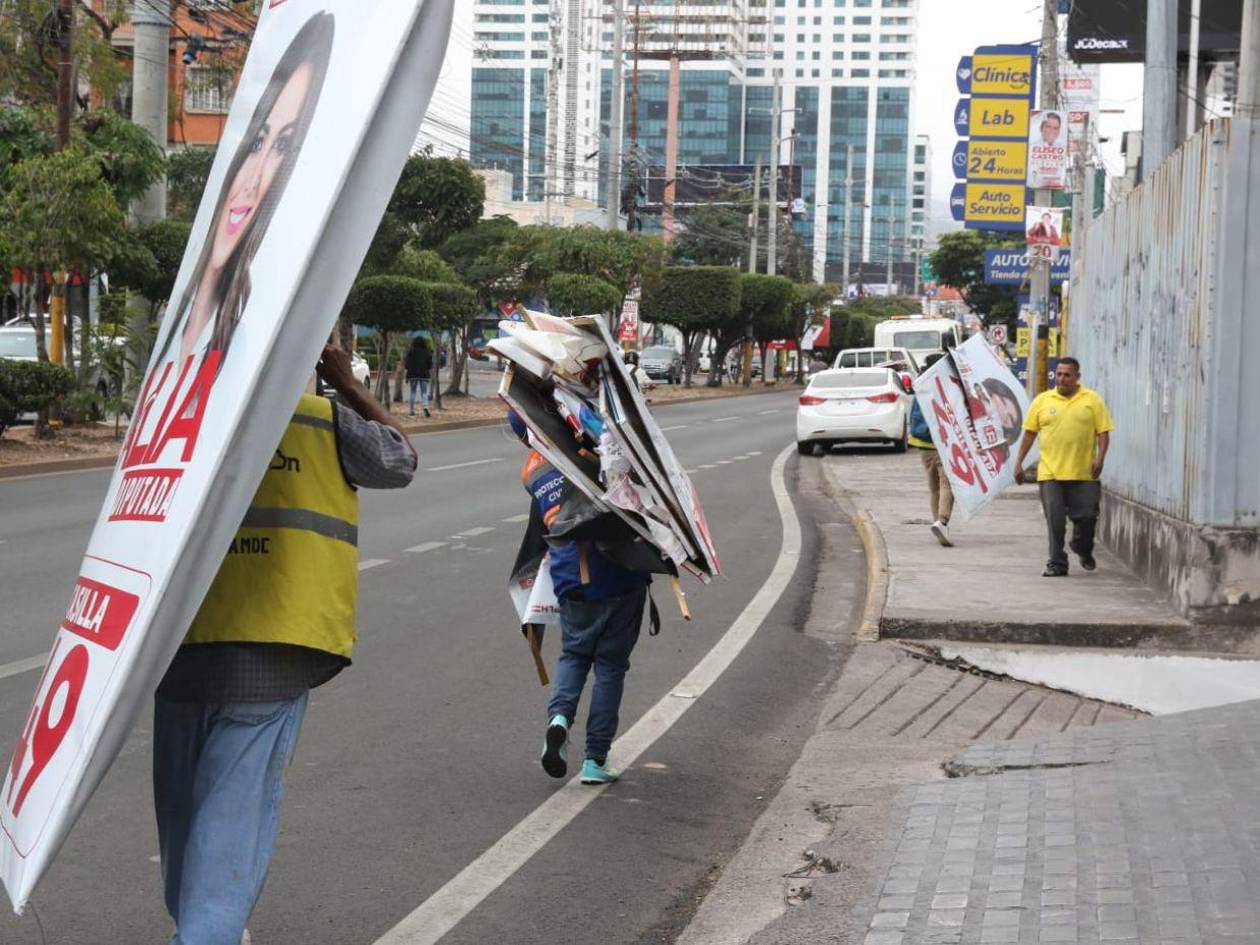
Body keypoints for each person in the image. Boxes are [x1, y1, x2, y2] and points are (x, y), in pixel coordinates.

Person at [152, 344, 416, 945]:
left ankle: (201, 927)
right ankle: (207, 933)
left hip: (179, 645)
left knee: (181, 810)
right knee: (234, 812)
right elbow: (400, 460)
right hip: (275, 646)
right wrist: (348, 384)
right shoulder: (321, 419)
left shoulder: (174, 416)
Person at [155, 13, 336, 365]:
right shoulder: (171, 346)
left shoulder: (246, 352)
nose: (252, 182)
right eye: (257, 143)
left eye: (282, 147)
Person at [508, 411, 650, 785]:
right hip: (620, 574)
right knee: (611, 667)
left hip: (570, 577)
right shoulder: (599, 448)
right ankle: (595, 759)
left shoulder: (535, 472)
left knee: (573, 655)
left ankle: (558, 720)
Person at [1013, 356, 1113, 577]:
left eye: (1067, 375)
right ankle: (1057, 562)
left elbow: (1103, 432)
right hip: (1051, 474)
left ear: (1077, 377)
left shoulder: (1092, 400)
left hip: (1084, 474)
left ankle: (1082, 548)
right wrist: (1018, 463)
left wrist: (1100, 458)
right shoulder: (1042, 401)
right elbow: (1029, 434)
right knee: (1055, 522)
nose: (1062, 379)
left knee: (1087, 518)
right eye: (1058, 374)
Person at [908, 395, 953, 547]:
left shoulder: (920, 389)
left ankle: (937, 523)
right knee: (947, 484)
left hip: (924, 445)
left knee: (934, 488)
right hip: (944, 444)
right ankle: (942, 522)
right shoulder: (947, 388)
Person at [405, 335, 433, 417]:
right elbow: (430, 365)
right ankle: (425, 407)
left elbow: (406, 365)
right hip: (424, 374)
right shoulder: (427, 352)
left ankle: (411, 411)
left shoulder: (411, 352)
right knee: (424, 392)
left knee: (413, 392)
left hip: (412, 374)